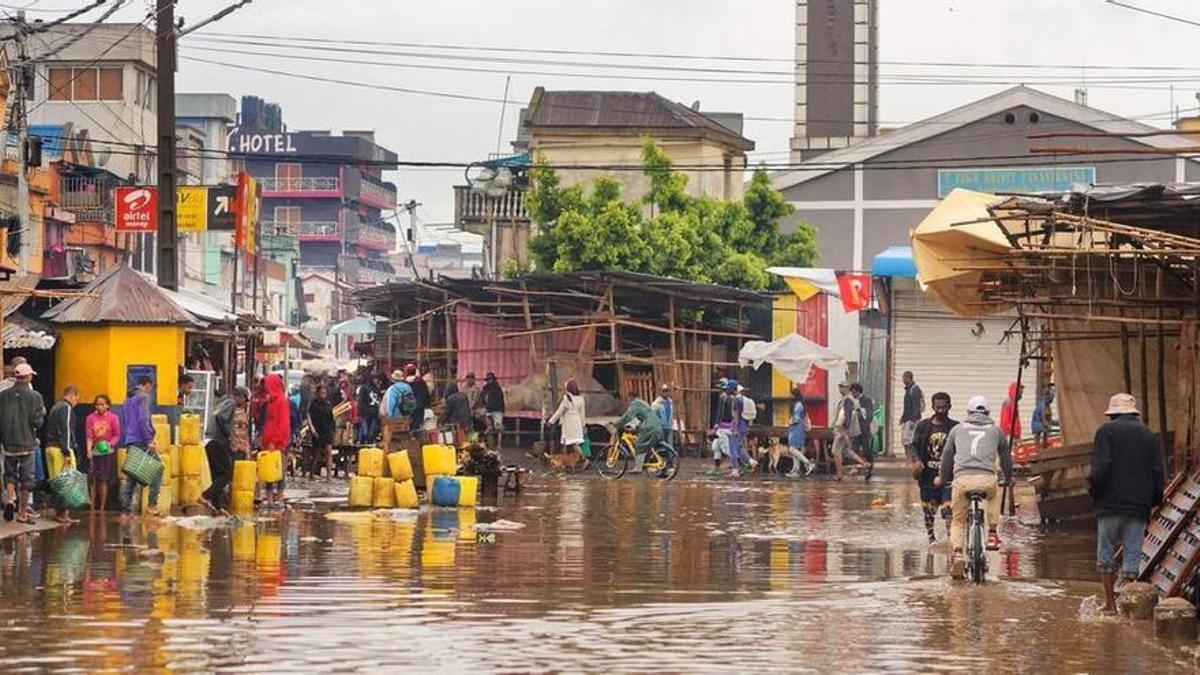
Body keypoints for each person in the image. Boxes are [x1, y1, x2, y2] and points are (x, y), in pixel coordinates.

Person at [1089, 393, 1164, 615]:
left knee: (1106, 554)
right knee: (1132, 555)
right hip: (1139, 505)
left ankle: (1110, 605)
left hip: (1110, 503)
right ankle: (1128, 607)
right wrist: (1155, 500)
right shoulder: (1150, 436)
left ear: (1113, 414)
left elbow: (1100, 467)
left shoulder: (1105, 432)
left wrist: (1094, 493)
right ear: (1134, 413)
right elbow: (1157, 472)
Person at [936, 395, 1013, 579]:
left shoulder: (957, 429)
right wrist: (1008, 478)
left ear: (969, 413)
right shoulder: (996, 431)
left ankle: (957, 553)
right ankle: (993, 532)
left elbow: (947, 458)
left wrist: (943, 478)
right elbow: (1006, 458)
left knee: (958, 520)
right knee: (994, 493)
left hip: (962, 480)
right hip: (987, 479)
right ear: (987, 413)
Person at [0, 364, 45, 524]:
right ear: (27, 377)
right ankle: (22, 513)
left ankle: (10, 501)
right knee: (27, 479)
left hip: (8, 442)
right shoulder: (35, 396)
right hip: (27, 443)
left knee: (10, 475)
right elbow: (37, 422)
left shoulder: (3, 395)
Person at [911, 392, 958, 544]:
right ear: (932, 407)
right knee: (929, 512)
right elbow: (913, 447)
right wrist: (917, 461)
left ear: (949, 407)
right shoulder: (923, 426)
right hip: (927, 477)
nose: (941, 410)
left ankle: (952, 541)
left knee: (948, 510)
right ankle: (932, 539)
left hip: (948, 478)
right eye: (938, 407)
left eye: (944, 407)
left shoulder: (955, 427)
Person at [201, 387, 249, 515]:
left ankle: (217, 506)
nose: (244, 403)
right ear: (240, 396)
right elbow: (220, 418)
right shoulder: (231, 403)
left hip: (209, 441)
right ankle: (206, 496)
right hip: (217, 441)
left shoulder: (222, 401)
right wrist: (228, 436)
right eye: (245, 399)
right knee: (227, 473)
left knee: (217, 474)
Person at [119, 376, 159, 517]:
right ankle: (152, 504)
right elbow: (143, 419)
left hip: (130, 440)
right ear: (146, 386)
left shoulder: (127, 401)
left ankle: (126, 507)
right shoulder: (143, 398)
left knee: (132, 474)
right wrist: (149, 439)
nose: (149, 391)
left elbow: (124, 421)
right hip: (141, 441)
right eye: (149, 388)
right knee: (157, 468)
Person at [44, 385, 80, 524]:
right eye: (77, 398)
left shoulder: (55, 407)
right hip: (60, 449)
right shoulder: (66, 408)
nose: (77, 401)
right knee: (67, 481)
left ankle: (60, 513)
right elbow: (65, 430)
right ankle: (63, 514)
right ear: (72, 395)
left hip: (50, 448)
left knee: (56, 481)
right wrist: (66, 451)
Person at [260, 373, 292, 508]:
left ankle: (279, 496)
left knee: (279, 471)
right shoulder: (270, 401)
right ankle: (269, 497)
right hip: (268, 442)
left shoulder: (282, 401)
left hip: (278, 444)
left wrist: (276, 441)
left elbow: (283, 424)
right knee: (268, 472)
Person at [85, 394, 120, 513]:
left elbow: (116, 435)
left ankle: (102, 507)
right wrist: (89, 450)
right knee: (92, 480)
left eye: (102, 404)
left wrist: (110, 444)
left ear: (108, 406)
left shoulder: (113, 418)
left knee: (103, 480)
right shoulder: (90, 418)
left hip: (107, 452)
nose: (99, 407)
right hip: (95, 451)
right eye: (97, 404)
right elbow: (89, 436)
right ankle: (92, 506)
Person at [613, 397, 664, 474]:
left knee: (639, 444)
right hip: (657, 425)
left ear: (629, 399)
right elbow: (643, 419)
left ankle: (638, 468)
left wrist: (617, 424)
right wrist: (636, 428)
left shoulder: (635, 404)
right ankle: (652, 466)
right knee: (649, 445)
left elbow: (627, 417)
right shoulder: (644, 404)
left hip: (649, 425)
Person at [714, 380, 754, 477]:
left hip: (737, 427)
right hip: (741, 426)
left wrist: (734, 428)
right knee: (738, 448)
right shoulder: (741, 399)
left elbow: (735, 415)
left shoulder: (735, 400)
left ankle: (736, 470)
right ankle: (751, 462)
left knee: (733, 449)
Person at [832, 382, 870, 481]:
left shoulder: (848, 400)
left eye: (843, 387)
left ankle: (839, 474)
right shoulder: (846, 399)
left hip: (842, 430)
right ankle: (865, 464)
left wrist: (844, 429)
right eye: (839, 387)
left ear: (847, 388)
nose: (840, 389)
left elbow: (847, 415)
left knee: (836, 451)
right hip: (843, 429)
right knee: (847, 451)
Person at [548, 379, 587, 464]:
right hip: (577, 423)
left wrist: (551, 421)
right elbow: (582, 414)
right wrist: (583, 425)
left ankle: (583, 460)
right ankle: (572, 462)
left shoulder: (566, 399)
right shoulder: (580, 399)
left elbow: (559, 412)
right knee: (574, 443)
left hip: (569, 424)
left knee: (569, 443)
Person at [786, 386, 816, 477]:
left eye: (791, 395)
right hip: (798, 428)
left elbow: (797, 417)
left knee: (792, 449)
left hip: (796, 428)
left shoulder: (798, 405)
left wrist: (790, 421)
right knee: (795, 449)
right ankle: (796, 470)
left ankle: (808, 463)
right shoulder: (800, 404)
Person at [850, 383, 877, 480]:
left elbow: (869, 415)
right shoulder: (852, 401)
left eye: (853, 391)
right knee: (854, 448)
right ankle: (855, 467)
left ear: (857, 391)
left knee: (866, 449)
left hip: (864, 429)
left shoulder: (867, 400)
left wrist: (865, 424)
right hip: (855, 429)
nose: (852, 394)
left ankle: (870, 465)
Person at [308, 384, 336, 479]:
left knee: (328, 451)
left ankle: (329, 475)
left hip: (327, 431)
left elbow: (331, 418)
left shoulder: (328, 404)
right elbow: (310, 417)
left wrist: (333, 429)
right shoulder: (313, 404)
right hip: (318, 431)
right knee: (316, 453)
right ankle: (312, 473)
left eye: (325, 393)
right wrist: (313, 430)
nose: (323, 395)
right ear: (318, 393)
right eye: (322, 393)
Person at [900, 371, 925, 460]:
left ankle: (912, 459)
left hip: (912, 420)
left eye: (904, 378)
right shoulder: (908, 390)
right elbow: (907, 406)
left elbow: (916, 406)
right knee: (905, 441)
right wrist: (902, 418)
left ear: (909, 378)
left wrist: (913, 420)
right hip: (907, 419)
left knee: (910, 441)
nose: (903, 380)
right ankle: (909, 459)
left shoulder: (914, 390)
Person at [439, 382, 472, 447]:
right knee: (466, 437)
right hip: (467, 419)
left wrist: (441, 420)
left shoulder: (451, 398)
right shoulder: (464, 395)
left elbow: (447, 412)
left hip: (457, 421)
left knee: (456, 438)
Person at [481, 372, 506, 449]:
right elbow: (482, 397)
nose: (489, 381)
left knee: (498, 427)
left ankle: (499, 444)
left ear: (493, 380)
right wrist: (484, 405)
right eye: (488, 380)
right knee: (481, 414)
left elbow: (498, 401)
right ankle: (489, 426)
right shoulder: (485, 388)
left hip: (497, 409)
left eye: (490, 379)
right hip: (488, 408)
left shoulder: (497, 389)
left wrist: (488, 407)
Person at [356, 375, 382, 444]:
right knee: (365, 432)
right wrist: (361, 411)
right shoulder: (364, 388)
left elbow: (378, 401)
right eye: (374, 379)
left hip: (374, 413)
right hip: (365, 413)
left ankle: (368, 443)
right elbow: (361, 400)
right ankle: (363, 443)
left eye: (377, 379)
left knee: (371, 432)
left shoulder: (377, 388)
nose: (376, 381)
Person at [407, 364, 430, 437]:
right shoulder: (421, 381)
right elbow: (426, 394)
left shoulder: (405, 383)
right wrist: (428, 404)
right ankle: (417, 437)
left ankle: (412, 436)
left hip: (410, 406)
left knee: (410, 422)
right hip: (420, 405)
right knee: (419, 422)